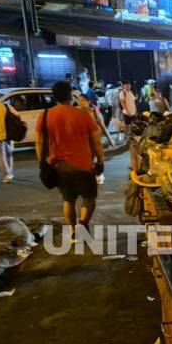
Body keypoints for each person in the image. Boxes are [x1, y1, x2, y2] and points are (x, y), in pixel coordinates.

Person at [36, 82, 105, 238]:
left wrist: (42, 162)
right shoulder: (83, 115)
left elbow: (39, 142)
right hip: (84, 166)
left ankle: (74, 231)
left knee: (68, 199)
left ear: (54, 97)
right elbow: (96, 141)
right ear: (70, 96)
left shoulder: (45, 115)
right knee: (89, 198)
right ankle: (83, 224)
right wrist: (100, 159)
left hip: (59, 166)